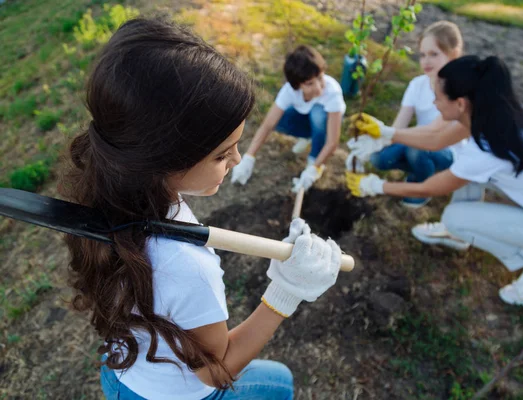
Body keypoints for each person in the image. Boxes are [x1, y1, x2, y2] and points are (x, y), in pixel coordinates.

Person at [60, 18, 342, 399]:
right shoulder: (187, 265)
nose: (239, 159)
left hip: (121, 373)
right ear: (163, 158)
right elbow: (217, 371)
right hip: (173, 393)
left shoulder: (110, 188)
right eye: (223, 154)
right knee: (280, 384)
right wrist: (286, 291)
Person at [347, 55, 523, 307]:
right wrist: (387, 133)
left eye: (438, 97)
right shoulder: (496, 115)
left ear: (460, 104)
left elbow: (430, 187)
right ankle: (460, 234)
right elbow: (436, 140)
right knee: (464, 163)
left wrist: (376, 186)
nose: (434, 103)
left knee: (454, 217)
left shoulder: (489, 148)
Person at [347, 21, 467, 208]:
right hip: (420, 142)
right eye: (423, 55)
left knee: (416, 150)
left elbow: (435, 130)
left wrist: (387, 134)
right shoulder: (417, 85)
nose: (426, 61)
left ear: (454, 54)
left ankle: (421, 187)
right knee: (379, 158)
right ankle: (421, 171)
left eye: (434, 54)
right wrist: (376, 142)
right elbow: (399, 127)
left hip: (448, 151)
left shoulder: (457, 89)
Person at [231, 45, 346, 193]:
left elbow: (332, 142)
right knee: (279, 119)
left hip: (327, 124)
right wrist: (249, 157)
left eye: (320, 78)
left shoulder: (332, 92)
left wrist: (313, 168)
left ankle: (315, 155)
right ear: (297, 85)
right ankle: (307, 136)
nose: (318, 88)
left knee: (318, 115)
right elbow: (267, 125)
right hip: (306, 119)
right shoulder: (289, 91)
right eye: (310, 83)